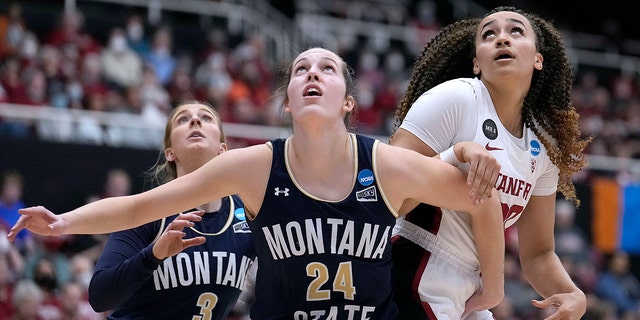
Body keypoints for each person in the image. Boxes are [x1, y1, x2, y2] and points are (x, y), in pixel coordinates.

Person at [8, 47, 505, 319]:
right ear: (287, 101)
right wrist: (63, 220)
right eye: (300, 69)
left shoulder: (388, 164)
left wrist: (495, 287)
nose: (312, 73)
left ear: (348, 101)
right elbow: (142, 205)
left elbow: (483, 196)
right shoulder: (252, 167)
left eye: (327, 68)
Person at [389, 6, 591, 320]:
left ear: (538, 59)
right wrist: (454, 155)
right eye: (489, 35)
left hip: (475, 288)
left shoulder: (542, 147)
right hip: (416, 263)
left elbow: (538, 254)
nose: (501, 39)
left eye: (515, 31)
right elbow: (386, 191)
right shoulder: (457, 99)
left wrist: (571, 293)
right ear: (476, 63)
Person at [88, 101, 256, 319]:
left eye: (206, 118)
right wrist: (154, 255)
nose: (195, 120)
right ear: (170, 153)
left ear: (222, 149)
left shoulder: (248, 212)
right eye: (183, 120)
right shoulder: (149, 210)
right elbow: (100, 297)